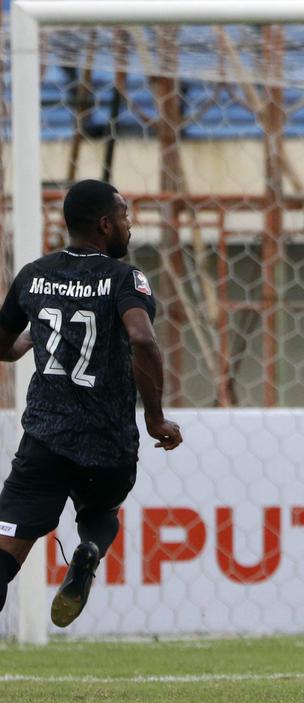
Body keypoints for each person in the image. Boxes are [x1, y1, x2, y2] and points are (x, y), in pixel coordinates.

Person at [0, 179, 182, 628]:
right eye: (124, 216)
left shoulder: (33, 275)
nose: (129, 225)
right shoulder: (125, 279)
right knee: (101, 512)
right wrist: (156, 417)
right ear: (104, 224)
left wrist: (31, 339)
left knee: (4, 556)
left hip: (44, 438)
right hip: (108, 442)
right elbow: (143, 339)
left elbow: (2, 346)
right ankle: (90, 551)